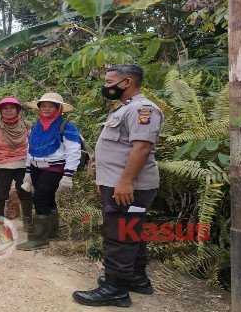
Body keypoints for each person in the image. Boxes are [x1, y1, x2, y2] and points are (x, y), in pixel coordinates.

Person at [72, 64, 163, 307]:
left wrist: (124, 182)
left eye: (110, 82)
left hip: (129, 186)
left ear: (127, 82)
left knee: (119, 235)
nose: (106, 86)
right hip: (120, 185)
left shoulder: (142, 109)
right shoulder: (126, 109)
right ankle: (135, 277)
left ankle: (115, 289)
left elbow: (142, 147)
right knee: (132, 231)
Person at [17, 93, 81, 251]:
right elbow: (30, 150)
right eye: (43, 106)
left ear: (58, 109)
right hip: (36, 167)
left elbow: (74, 152)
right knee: (48, 198)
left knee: (39, 198)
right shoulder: (37, 127)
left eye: (50, 106)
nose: (46, 109)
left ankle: (39, 238)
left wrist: (68, 176)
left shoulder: (66, 127)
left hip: (55, 168)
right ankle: (52, 231)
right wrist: (27, 172)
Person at [0, 97, 33, 231]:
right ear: (0, 111)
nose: (8, 110)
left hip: (23, 164)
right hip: (2, 165)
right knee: (0, 194)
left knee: (25, 192)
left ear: (18, 109)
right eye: (5, 108)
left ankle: (28, 222)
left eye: (12, 107)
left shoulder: (26, 125)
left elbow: (33, 146)